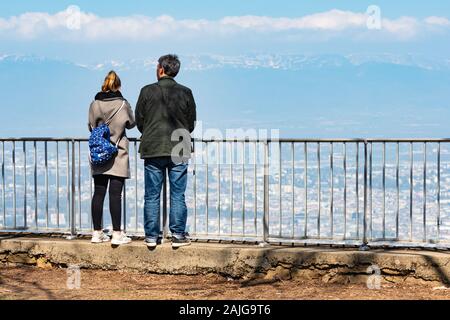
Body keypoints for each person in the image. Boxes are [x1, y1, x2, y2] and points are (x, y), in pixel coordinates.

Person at [135, 54, 197, 248]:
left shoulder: (146, 91)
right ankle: (178, 235)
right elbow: (191, 122)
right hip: (179, 146)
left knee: (152, 195)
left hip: (153, 147)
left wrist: (151, 132)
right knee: (178, 194)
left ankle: (152, 236)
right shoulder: (186, 92)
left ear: (161, 69)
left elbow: (139, 120)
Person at [88, 70, 136, 245]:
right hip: (118, 153)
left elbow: (90, 125)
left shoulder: (95, 104)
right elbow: (131, 123)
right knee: (116, 195)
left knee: (98, 193)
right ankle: (117, 234)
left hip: (99, 152)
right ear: (119, 86)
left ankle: (96, 233)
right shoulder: (123, 104)